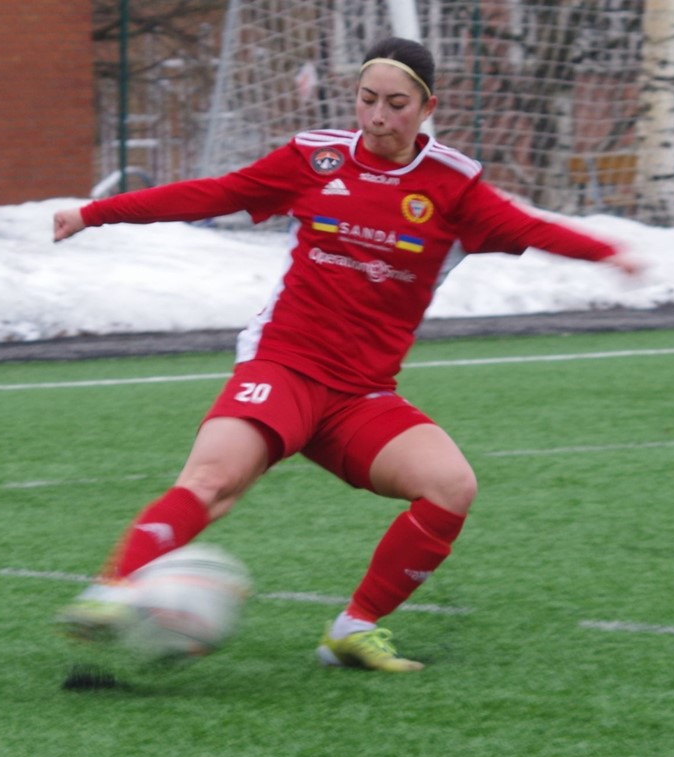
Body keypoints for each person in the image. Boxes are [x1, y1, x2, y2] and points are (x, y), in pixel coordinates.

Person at [52, 36, 641, 672]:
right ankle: (108, 594)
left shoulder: (455, 186)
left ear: (426, 107)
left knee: (450, 487)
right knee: (212, 483)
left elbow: (532, 228)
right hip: (284, 366)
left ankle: (352, 630)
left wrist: (610, 254)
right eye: (367, 100)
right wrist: (95, 213)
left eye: (396, 104)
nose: (379, 118)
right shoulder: (315, 158)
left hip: (361, 394)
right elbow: (213, 193)